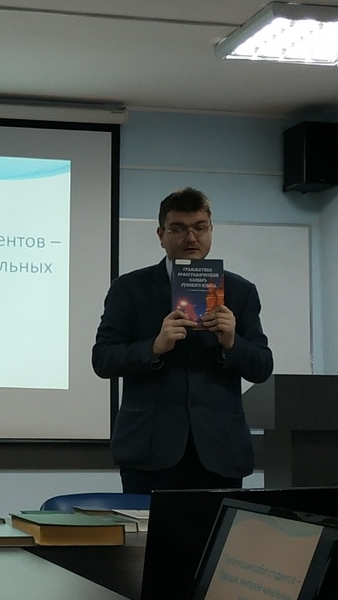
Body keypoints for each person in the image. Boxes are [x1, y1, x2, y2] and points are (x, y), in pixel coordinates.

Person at [92, 187, 273, 492]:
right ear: (161, 235)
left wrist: (232, 342)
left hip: (220, 450)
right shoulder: (129, 289)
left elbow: (262, 366)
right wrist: (154, 347)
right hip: (149, 449)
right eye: (178, 229)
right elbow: (103, 359)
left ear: (211, 231)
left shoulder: (240, 291)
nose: (191, 238)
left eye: (200, 228)